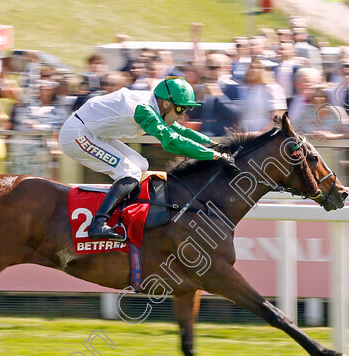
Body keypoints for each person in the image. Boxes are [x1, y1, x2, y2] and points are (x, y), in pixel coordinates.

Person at [58, 77, 236, 241]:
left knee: (141, 164)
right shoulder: (144, 110)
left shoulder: (155, 105)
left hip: (94, 133)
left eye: (187, 109)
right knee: (130, 171)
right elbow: (171, 142)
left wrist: (214, 145)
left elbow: (181, 131)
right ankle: (98, 223)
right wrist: (213, 156)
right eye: (181, 108)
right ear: (166, 103)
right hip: (77, 135)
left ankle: (123, 213)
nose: (183, 114)